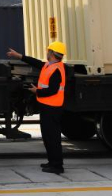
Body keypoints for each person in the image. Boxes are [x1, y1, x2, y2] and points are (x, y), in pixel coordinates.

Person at [7, 42, 67, 174]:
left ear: (51, 53)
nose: (46, 53)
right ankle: (52, 162)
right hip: (47, 107)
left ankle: (57, 166)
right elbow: (35, 62)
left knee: (53, 137)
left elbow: (53, 90)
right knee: (47, 136)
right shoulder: (49, 65)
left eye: (48, 51)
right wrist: (19, 56)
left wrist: (37, 91)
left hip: (53, 108)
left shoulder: (56, 70)